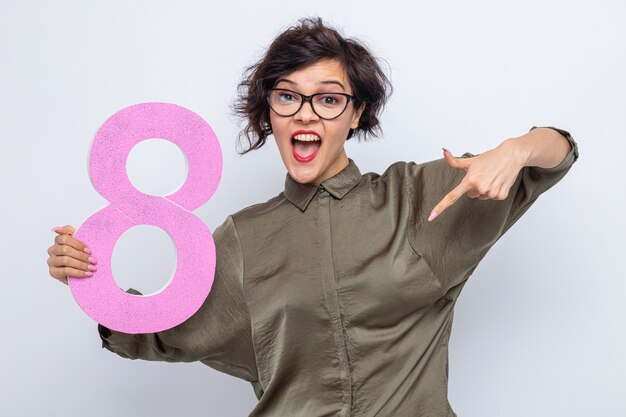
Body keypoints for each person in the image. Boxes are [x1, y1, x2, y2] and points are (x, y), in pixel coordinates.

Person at [47, 17, 579, 417]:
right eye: (287, 97)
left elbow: (557, 154)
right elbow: (164, 331)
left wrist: (519, 148)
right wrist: (91, 280)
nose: (305, 112)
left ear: (356, 113)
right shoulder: (241, 239)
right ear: (268, 112)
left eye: (328, 99)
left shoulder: (420, 198)